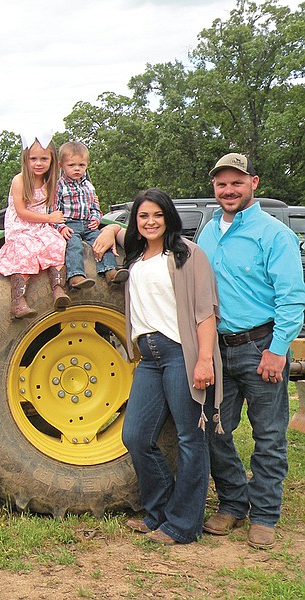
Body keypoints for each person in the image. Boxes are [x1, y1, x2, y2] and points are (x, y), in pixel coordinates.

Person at [94, 189, 221, 545]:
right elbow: (120, 234)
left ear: (169, 218)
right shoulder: (136, 256)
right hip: (148, 358)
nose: (150, 222)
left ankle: (183, 525)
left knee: (190, 438)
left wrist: (205, 359)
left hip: (182, 352)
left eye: (157, 216)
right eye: (143, 216)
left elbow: (205, 310)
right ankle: (159, 512)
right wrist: (110, 230)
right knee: (135, 436)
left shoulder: (187, 255)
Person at [197, 153, 305, 549]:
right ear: (214, 188)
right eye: (222, 184)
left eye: (236, 183)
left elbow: (292, 299)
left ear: (253, 183)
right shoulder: (207, 233)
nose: (229, 190)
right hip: (219, 350)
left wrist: (278, 352)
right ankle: (233, 502)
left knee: (269, 436)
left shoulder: (275, 235)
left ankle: (263, 515)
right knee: (212, 429)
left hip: (262, 346)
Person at [0, 136, 68, 317]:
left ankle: (58, 289)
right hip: (21, 225)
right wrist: (49, 217)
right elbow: (22, 212)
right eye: (33, 159)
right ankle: (18, 301)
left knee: (56, 243)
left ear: (52, 160)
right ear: (26, 159)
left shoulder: (51, 181)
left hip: (40, 224)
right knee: (26, 251)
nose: (39, 163)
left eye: (44, 159)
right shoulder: (20, 181)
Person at [53, 141, 128, 289]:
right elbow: (53, 211)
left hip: (88, 224)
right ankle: (76, 276)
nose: (77, 169)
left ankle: (110, 271)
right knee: (74, 245)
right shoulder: (59, 186)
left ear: (87, 165)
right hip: (70, 224)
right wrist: (60, 227)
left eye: (81, 165)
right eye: (71, 165)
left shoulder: (88, 186)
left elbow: (94, 207)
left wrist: (95, 218)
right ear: (61, 165)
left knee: (101, 242)